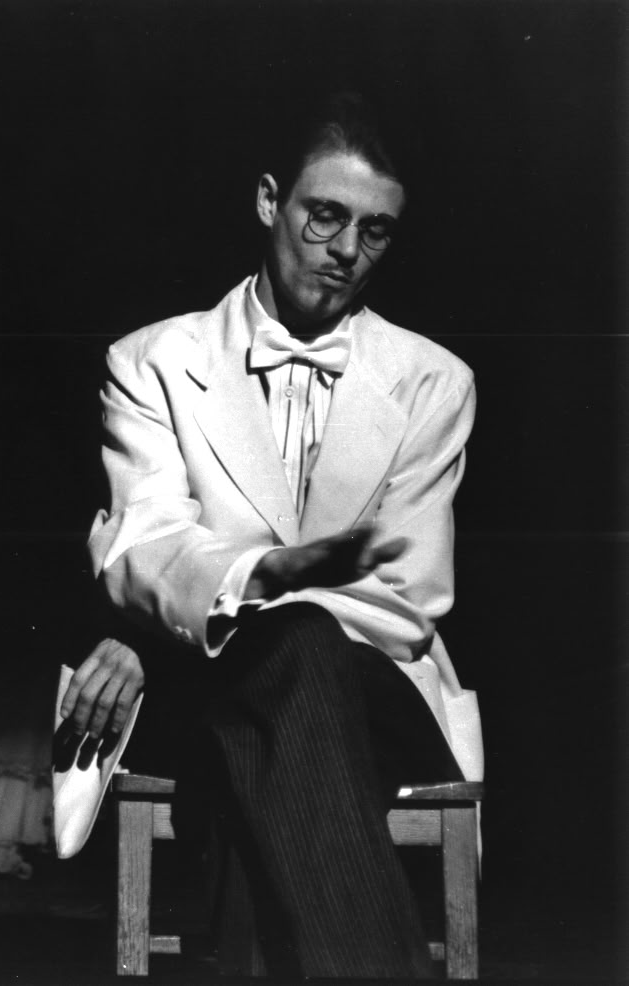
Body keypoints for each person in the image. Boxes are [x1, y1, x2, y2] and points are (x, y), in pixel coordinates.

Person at [62, 91, 481, 978]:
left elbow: (404, 595)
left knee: (296, 658)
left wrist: (189, 619)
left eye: (374, 231)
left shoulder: (432, 381)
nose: (344, 250)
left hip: (371, 688)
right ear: (267, 201)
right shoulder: (153, 361)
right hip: (204, 693)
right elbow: (144, 544)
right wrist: (256, 604)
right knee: (277, 709)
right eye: (324, 215)